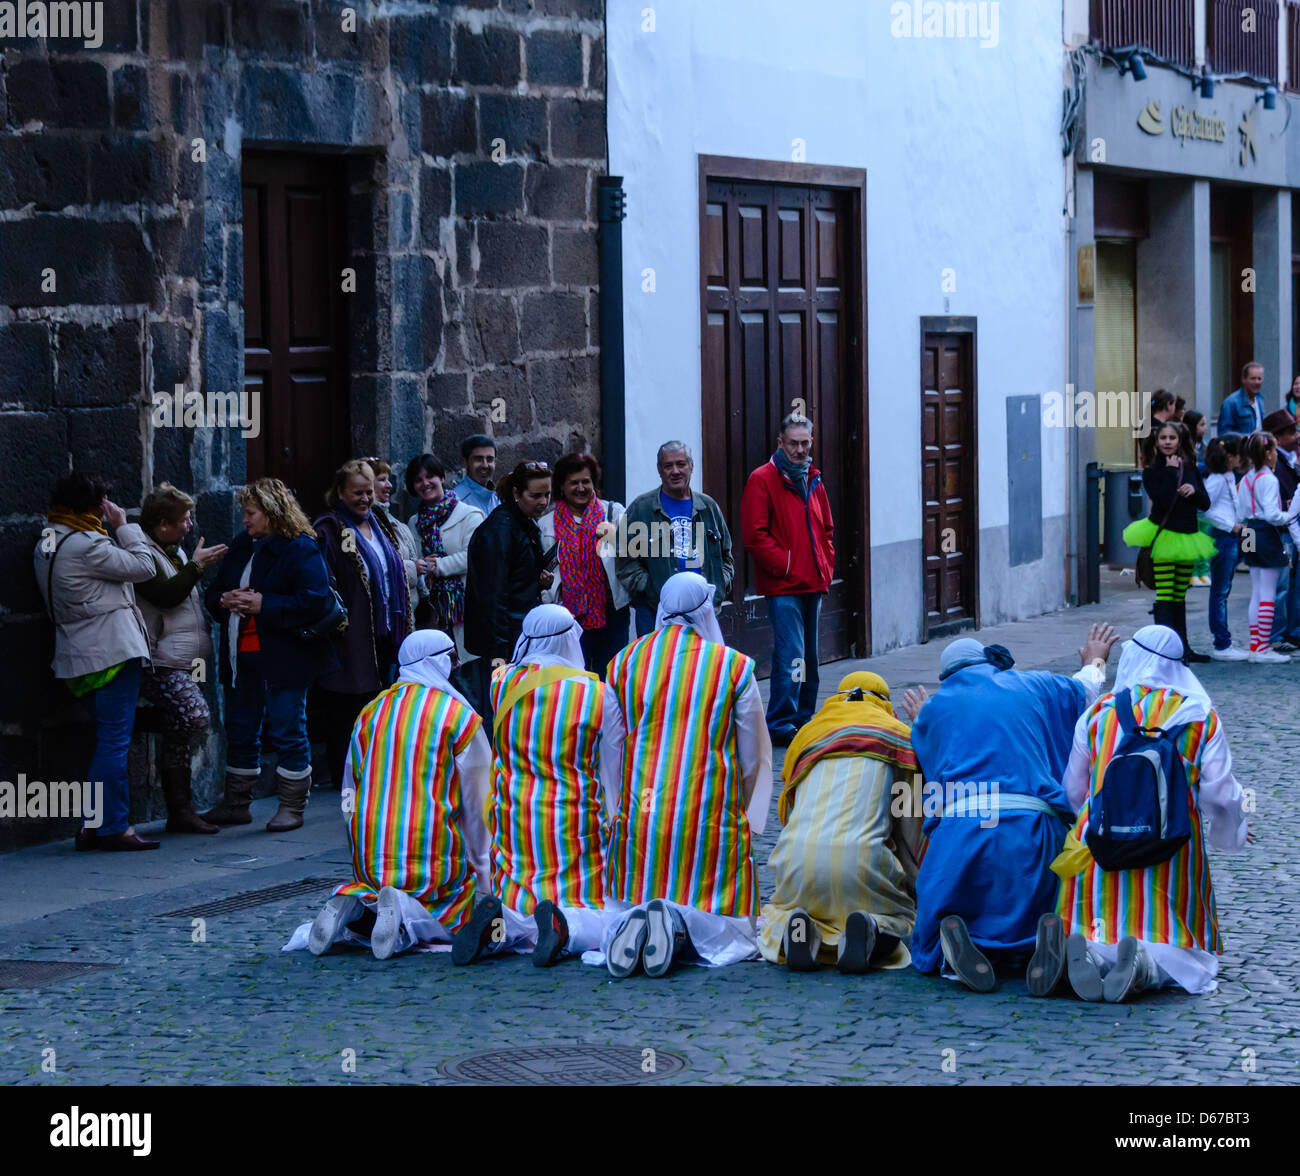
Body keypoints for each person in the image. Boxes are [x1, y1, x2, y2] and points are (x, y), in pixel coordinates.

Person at [898, 625, 1117, 995]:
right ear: (987, 662)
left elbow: (931, 776)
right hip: (1032, 828)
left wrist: (923, 720)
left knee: (938, 919)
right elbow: (1085, 691)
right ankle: (1041, 946)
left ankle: (959, 953)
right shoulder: (1030, 684)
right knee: (1045, 897)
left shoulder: (934, 710)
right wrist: (1095, 657)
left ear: (946, 677)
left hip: (964, 838)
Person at [1051, 625, 1251, 1002]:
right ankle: (1146, 964)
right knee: (1171, 936)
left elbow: (1073, 790)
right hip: (1170, 848)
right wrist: (1231, 832)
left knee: (1095, 919)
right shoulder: (1200, 716)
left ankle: (1090, 951)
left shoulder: (1098, 713)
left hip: (1100, 847)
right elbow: (1222, 795)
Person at [594, 572, 773, 978]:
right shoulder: (734, 667)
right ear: (705, 612)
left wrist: (618, 807)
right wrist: (744, 813)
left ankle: (636, 921)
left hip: (641, 821)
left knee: (627, 894)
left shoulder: (621, 664)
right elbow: (754, 757)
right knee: (737, 931)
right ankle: (678, 926)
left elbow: (612, 747)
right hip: (707, 821)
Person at [296, 630, 492, 960]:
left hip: (371, 863)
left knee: (380, 882)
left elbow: (349, 791)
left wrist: (363, 842)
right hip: (432, 865)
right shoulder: (458, 717)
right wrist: (485, 877)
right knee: (467, 915)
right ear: (439, 663)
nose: (456, 667)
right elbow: (479, 806)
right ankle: (405, 912)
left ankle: (360, 905)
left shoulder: (370, 712)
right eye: (452, 659)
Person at [452, 605, 619, 967]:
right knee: (611, 916)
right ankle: (564, 927)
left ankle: (502, 929)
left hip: (514, 827)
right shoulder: (596, 693)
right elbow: (611, 769)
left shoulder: (502, 682)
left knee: (516, 903)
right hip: (572, 832)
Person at [758, 672, 922, 974]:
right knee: (903, 919)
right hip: (862, 868)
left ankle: (800, 931)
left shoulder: (808, 735)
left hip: (797, 862)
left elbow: (789, 810)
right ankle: (871, 927)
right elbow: (912, 831)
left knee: (781, 912)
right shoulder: (902, 739)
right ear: (886, 705)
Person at [34, 472, 160, 851]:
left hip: (77, 654)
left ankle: (94, 824)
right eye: (104, 502)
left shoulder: (48, 538)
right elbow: (145, 567)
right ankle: (114, 827)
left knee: (106, 740)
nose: (108, 509)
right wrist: (125, 526)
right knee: (114, 742)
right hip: (111, 653)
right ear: (93, 506)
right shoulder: (88, 544)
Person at [203, 479, 338, 831]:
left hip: (285, 655)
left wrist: (265, 604)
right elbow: (213, 593)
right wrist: (223, 600)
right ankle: (236, 803)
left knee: (287, 727)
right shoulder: (241, 546)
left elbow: (316, 600)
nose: (245, 520)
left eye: (250, 513)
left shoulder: (300, 547)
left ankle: (292, 806)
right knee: (241, 727)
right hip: (241, 656)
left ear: (272, 512)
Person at [313, 460, 412, 790]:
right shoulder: (330, 529)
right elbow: (325, 582)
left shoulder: (379, 524)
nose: (365, 498)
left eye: (369, 491)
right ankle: (348, 777)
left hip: (384, 633)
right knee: (348, 706)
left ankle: (376, 772)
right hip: (350, 635)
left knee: (378, 703)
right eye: (357, 492)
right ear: (340, 492)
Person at [135, 484, 227, 835]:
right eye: (184, 519)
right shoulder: (143, 551)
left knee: (180, 727)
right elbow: (167, 594)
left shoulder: (173, 550)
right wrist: (197, 566)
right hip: (158, 657)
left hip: (176, 655)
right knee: (193, 714)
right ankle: (137, 720)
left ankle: (181, 810)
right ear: (162, 525)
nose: (189, 525)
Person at [741, 413, 835, 746]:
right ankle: (781, 722)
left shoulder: (814, 477)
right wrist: (787, 566)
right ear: (780, 443)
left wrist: (826, 561)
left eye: (804, 443)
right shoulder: (762, 479)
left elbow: (826, 527)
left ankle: (802, 718)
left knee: (808, 655)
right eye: (792, 443)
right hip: (784, 585)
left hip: (814, 581)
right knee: (793, 653)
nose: (799, 449)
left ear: (812, 441)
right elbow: (754, 535)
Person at [616, 441, 734, 638]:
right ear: (659, 470)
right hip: (655, 613)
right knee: (659, 667)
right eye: (668, 466)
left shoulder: (708, 507)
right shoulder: (641, 508)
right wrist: (650, 587)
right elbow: (624, 559)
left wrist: (720, 583)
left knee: (703, 666)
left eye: (681, 464)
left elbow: (726, 554)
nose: (675, 471)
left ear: (691, 466)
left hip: (703, 613)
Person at [1122, 421, 1215, 663]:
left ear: (1180, 440)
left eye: (1172, 438)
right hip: (1164, 536)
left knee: (1179, 596)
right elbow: (1161, 499)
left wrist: (1193, 491)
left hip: (1188, 536)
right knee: (1165, 595)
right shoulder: (1153, 470)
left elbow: (1206, 503)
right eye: (1163, 438)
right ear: (1157, 441)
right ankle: (1165, 652)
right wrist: (1173, 473)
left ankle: (1183, 648)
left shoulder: (1191, 468)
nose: (1167, 442)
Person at [463, 462, 553, 688]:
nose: (543, 502)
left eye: (547, 494)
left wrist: (538, 581)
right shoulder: (500, 530)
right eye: (535, 496)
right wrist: (499, 656)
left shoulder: (521, 523)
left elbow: (514, 579)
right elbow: (492, 596)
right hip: (506, 641)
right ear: (516, 494)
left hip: (518, 634)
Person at [539, 453, 630, 677]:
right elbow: (545, 566)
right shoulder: (547, 524)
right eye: (574, 483)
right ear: (562, 486)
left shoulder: (613, 513)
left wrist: (614, 536)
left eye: (585, 481)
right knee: (574, 676)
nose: (581, 488)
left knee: (611, 675)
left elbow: (634, 553)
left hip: (611, 613)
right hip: (569, 616)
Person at [404, 453, 484, 669]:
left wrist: (436, 566)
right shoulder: (414, 522)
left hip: (465, 607)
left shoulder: (470, 515)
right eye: (418, 480)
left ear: (441, 478)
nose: (425, 483)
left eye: (430, 476)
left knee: (469, 675)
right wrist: (420, 565)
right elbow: (413, 558)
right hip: (430, 610)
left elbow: (474, 557)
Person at [1236, 431, 1300, 663]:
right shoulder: (1269, 480)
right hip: (1264, 532)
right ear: (1268, 453)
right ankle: (1262, 648)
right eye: (1273, 450)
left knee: (1256, 590)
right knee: (1268, 593)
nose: (1275, 455)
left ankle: (1256, 644)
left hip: (1248, 532)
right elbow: (1273, 515)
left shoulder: (1245, 478)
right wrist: (1289, 515)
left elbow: (1241, 511)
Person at [1203, 437, 1248, 661]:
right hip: (1224, 537)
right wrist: (1231, 525)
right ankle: (1222, 643)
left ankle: (1224, 640)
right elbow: (1205, 510)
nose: (1241, 458)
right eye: (1238, 454)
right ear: (1230, 456)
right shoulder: (1217, 480)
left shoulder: (1229, 477)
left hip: (1233, 536)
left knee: (1224, 589)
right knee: (1220, 591)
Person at [1261, 409, 1300, 653]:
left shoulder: (1285, 460)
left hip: (1281, 530)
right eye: (1292, 432)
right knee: (1278, 585)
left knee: (1282, 584)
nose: (1296, 435)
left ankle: (1284, 632)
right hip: (1277, 532)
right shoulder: (1272, 467)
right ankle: (1275, 635)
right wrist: (1286, 510)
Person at [368, 458, 421, 603]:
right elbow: (374, 566)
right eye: (382, 479)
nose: (389, 485)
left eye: (389, 479)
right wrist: (413, 568)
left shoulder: (398, 524)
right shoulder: (365, 524)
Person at [453, 433, 500, 518]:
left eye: (489, 459)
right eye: (478, 459)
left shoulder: (499, 499)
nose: (485, 465)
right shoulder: (456, 501)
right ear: (464, 462)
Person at [1217, 361, 1267, 437]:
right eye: (1253, 378)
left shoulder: (1260, 400)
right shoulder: (1231, 402)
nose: (1257, 382)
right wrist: (1249, 437)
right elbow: (1223, 434)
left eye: (1259, 379)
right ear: (1243, 380)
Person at [1138, 389, 1177, 467]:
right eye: (1174, 405)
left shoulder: (1146, 424)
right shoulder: (1161, 428)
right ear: (1169, 405)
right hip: (1162, 468)